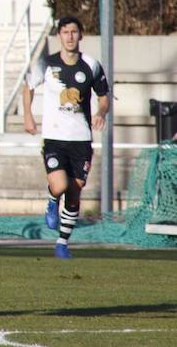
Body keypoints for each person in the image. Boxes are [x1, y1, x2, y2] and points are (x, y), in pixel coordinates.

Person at [23, 15, 110, 259]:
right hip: (54, 138)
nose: (70, 36)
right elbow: (28, 87)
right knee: (60, 185)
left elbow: (103, 96)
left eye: (74, 32)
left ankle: (62, 243)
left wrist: (101, 112)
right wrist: (28, 116)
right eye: (65, 32)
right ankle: (52, 200)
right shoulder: (47, 64)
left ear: (80, 35)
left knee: (74, 191)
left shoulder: (91, 65)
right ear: (59, 36)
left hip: (81, 139)